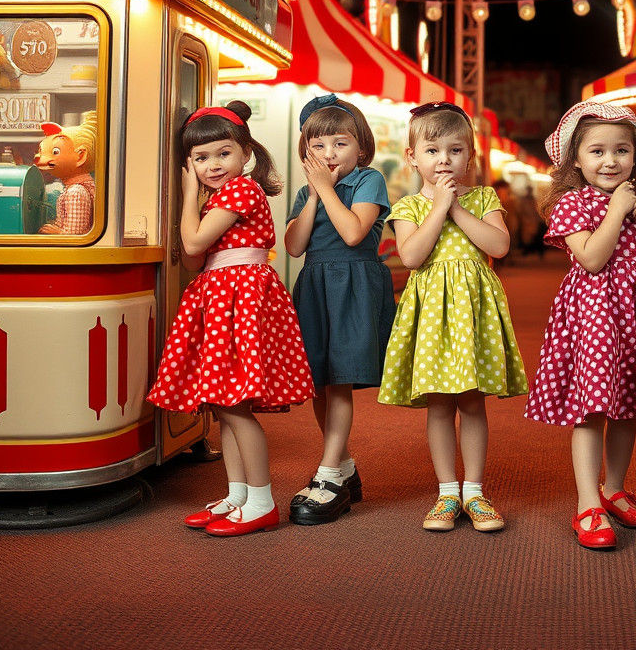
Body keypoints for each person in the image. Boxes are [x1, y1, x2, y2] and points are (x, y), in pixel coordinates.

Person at [147, 102, 314, 537]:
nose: (212, 165)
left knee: (236, 408)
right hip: (224, 296)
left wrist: (187, 195)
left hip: (238, 296)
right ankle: (238, 495)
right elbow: (195, 255)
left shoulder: (241, 190)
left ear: (246, 153)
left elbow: (193, 242)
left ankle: (261, 500)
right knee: (226, 405)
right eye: (201, 158)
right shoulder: (223, 195)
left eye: (223, 153)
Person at [525, 101, 636, 551]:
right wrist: (617, 210)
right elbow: (592, 259)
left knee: (627, 402)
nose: (610, 161)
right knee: (592, 408)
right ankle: (586, 502)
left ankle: (614, 488)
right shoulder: (571, 203)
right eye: (597, 151)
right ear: (576, 159)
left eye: (621, 151)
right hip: (594, 315)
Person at [378, 101, 528, 533]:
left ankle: (475, 492)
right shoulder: (407, 207)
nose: (443, 160)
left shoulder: (483, 197)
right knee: (440, 406)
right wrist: (438, 206)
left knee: (473, 402)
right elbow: (412, 256)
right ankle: (447, 492)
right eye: (432, 151)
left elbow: (498, 247)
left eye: (455, 150)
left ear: (470, 157)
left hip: (473, 314)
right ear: (412, 157)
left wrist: (457, 207)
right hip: (432, 317)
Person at [284, 93, 396, 526]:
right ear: (306, 151)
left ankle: (328, 474)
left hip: (354, 285)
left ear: (361, 147)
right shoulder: (304, 192)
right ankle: (344, 467)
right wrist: (313, 195)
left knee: (340, 381)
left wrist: (327, 190)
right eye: (318, 146)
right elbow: (294, 247)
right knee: (317, 381)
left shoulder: (369, 181)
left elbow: (353, 233)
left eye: (340, 143)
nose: (329, 153)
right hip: (314, 286)